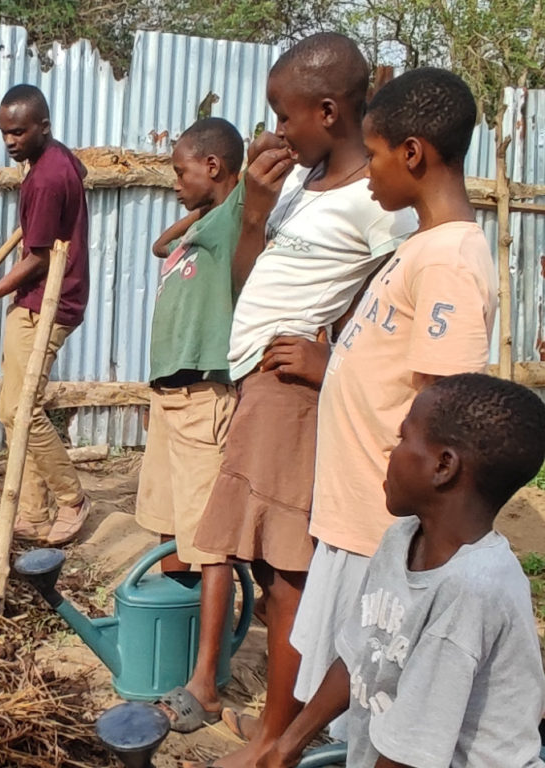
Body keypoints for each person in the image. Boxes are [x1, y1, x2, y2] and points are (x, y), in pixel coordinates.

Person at [186, 33, 417, 767]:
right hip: (259, 386)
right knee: (266, 566)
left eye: (286, 117)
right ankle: (282, 728)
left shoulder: (379, 204)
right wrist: (255, 209)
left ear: (327, 110)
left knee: (290, 577)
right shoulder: (292, 185)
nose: (277, 132)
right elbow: (246, 283)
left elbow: (389, 312)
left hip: (294, 396)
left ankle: (273, 742)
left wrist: (331, 363)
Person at [288, 67, 500, 743]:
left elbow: (447, 424)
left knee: (370, 723)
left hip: (379, 534)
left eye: (375, 155)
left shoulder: (447, 263)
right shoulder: (422, 248)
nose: (367, 172)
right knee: (343, 713)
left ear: (412, 153)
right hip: (355, 524)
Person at [260, 373, 545, 768]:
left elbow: (410, 755)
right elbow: (360, 655)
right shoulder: (402, 538)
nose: (389, 452)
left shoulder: (472, 591)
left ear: (444, 466)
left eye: (402, 438)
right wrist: (284, 747)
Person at [0, 84, 91, 546]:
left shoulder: (47, 179)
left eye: (20, 133)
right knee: (17, 407)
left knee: (20, 409)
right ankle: (31, 513)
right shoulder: (54, 160)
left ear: (43, 127)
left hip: (47, 303)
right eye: (5, 133)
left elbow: (39, 258)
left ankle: (72, 499)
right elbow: (77, 173)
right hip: (34, 300)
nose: (10, 142)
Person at [134, 118, 245, 732]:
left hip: (204, 396)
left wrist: (227, 190)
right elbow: (158, 247)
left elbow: (256, 178)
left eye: (181, 170)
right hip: (168, 398)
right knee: (169, 530)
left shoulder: (233, 221)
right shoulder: (203, 225)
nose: (174, 181)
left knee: (209, 545)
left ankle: (205, 683)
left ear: (215, 167)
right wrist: (190, 215)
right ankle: (175, 651)